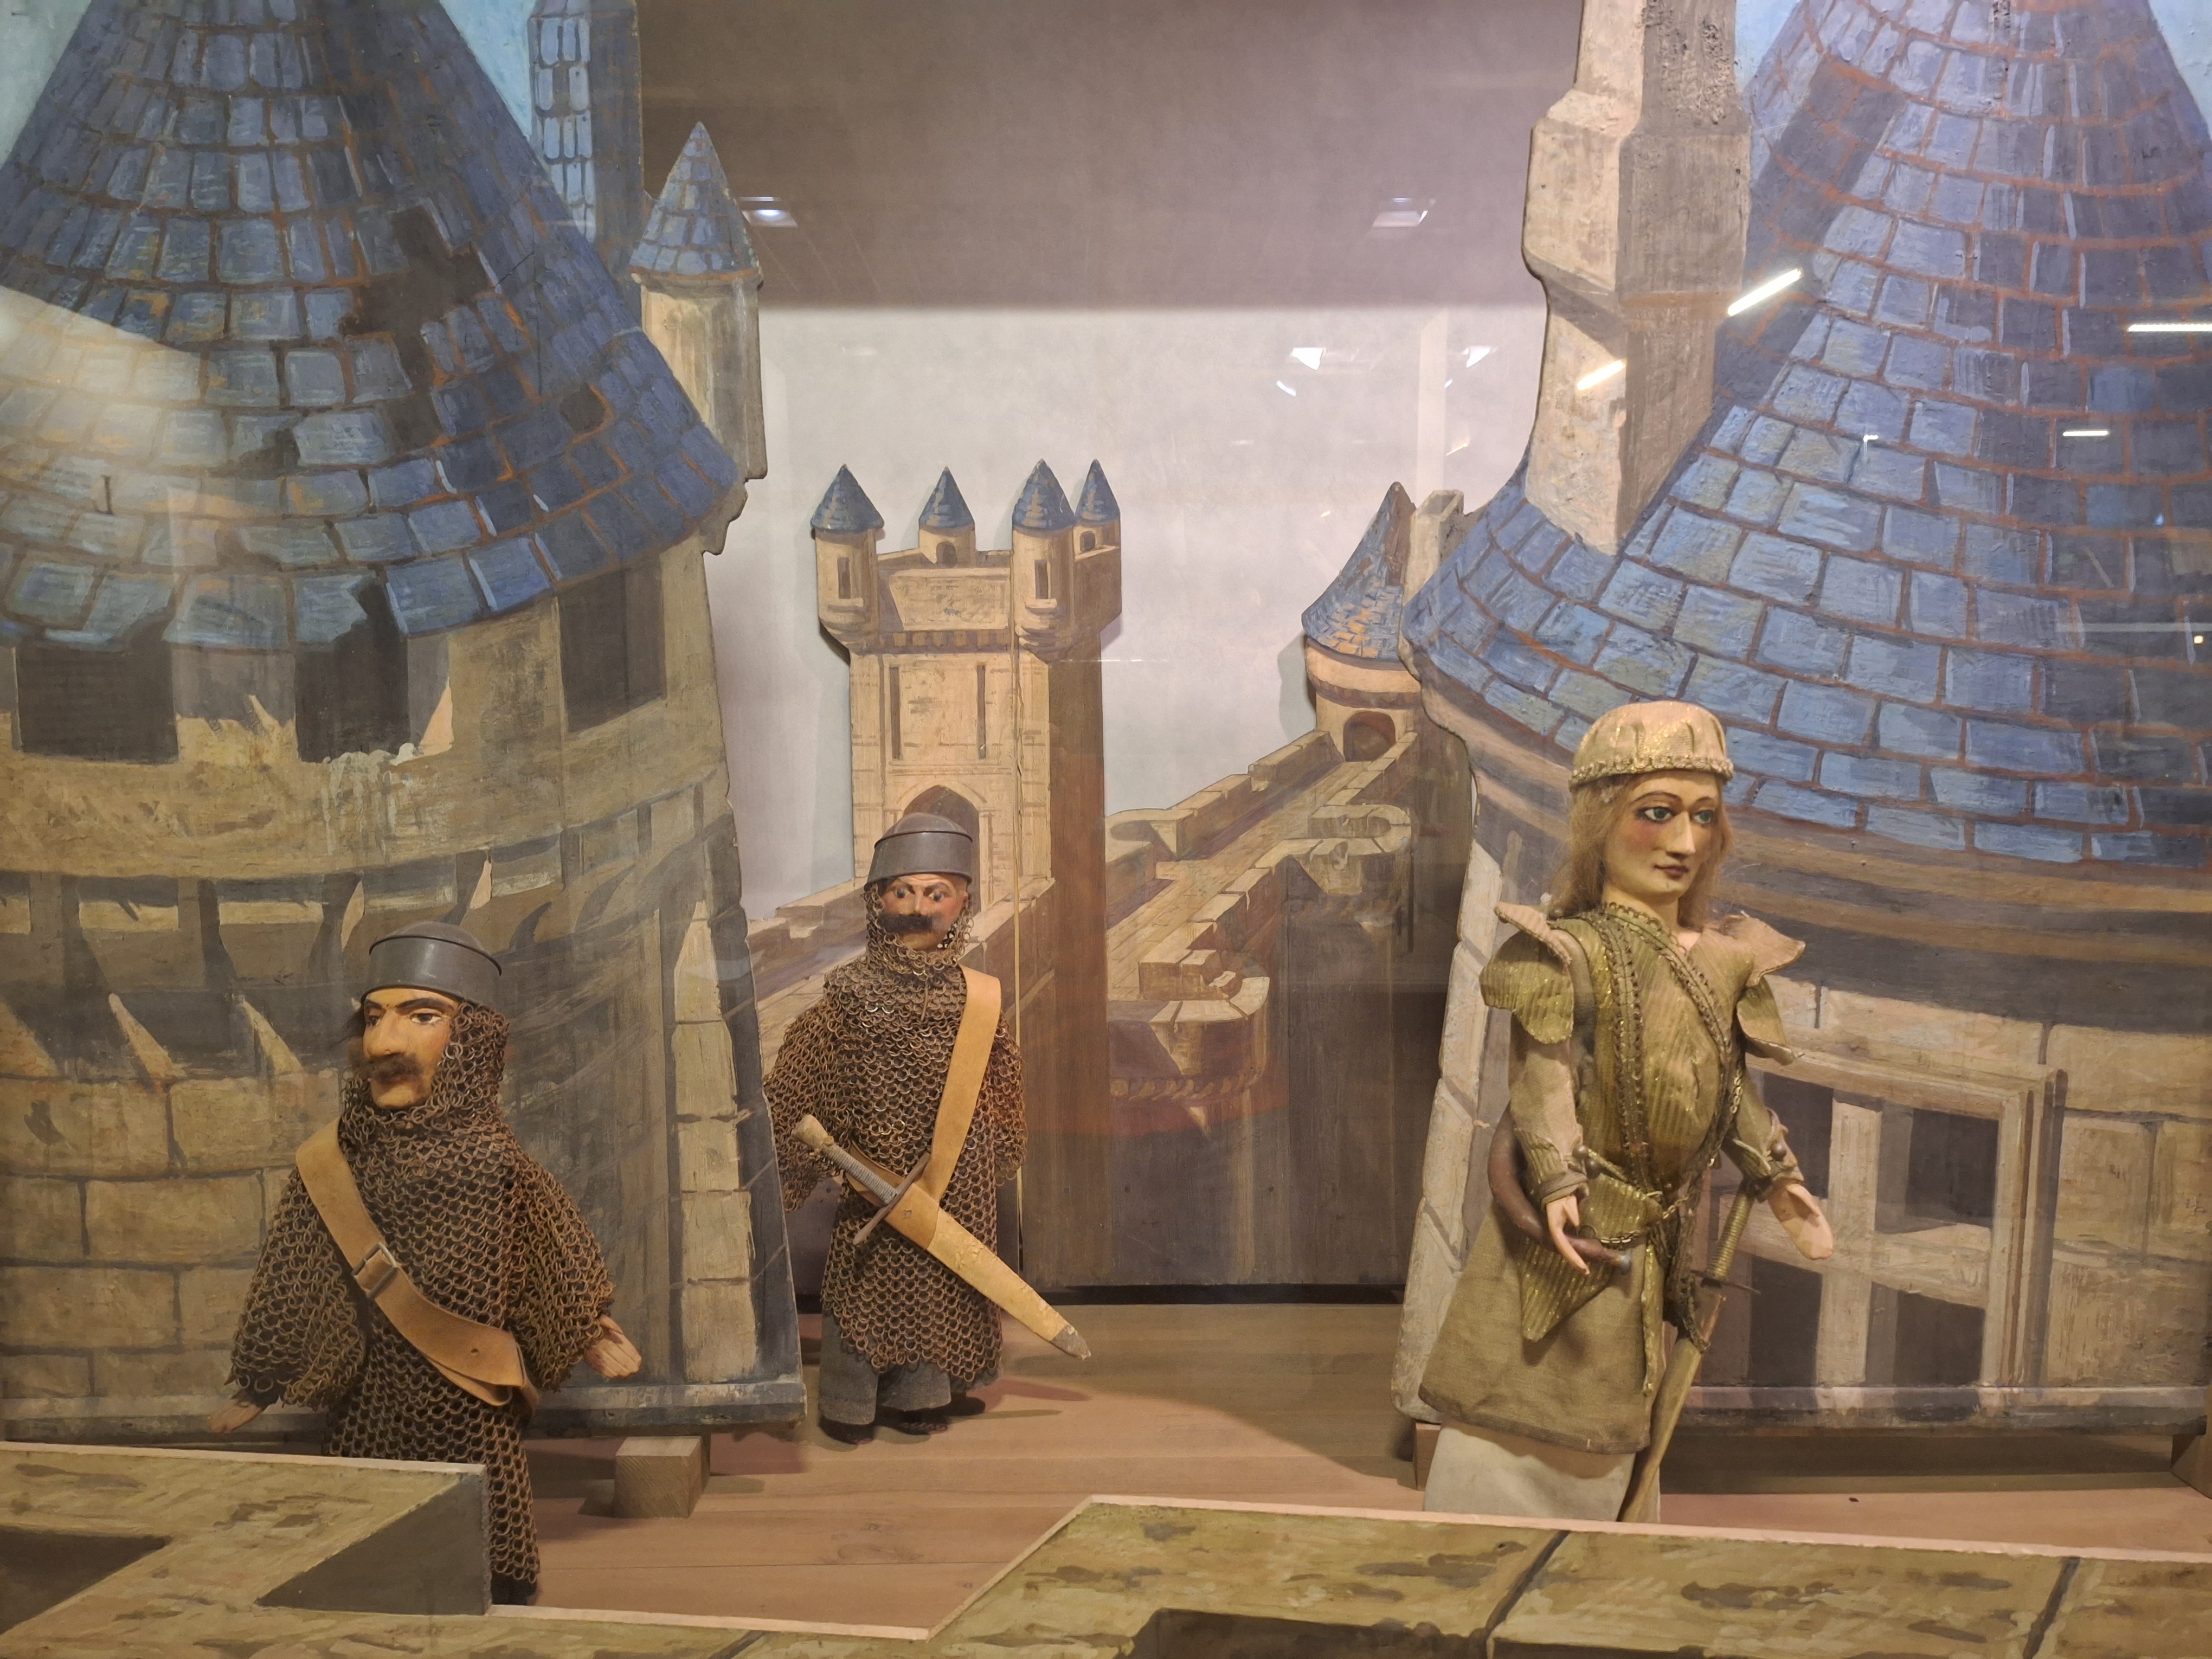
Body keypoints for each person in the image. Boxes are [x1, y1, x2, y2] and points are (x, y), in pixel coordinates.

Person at [1419, 700, 1834, 1521]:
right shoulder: (1567, 952)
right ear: (1601, 821)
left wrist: (1777, 1174)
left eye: (1703, 817)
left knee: (1620, 1408)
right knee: (1534, 1389)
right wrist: (1557, 1179)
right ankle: (1502, 1545)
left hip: (1658, 1234)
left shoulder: (1725, 962)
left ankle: (1601, 1551)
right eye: (1657, 813)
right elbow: (1540, 1076)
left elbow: (1730, 1086)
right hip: (1578, 1223)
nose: (1684, 843)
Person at [210, 921, 641, 1605]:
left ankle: (497, 1583)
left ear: (473, 1040)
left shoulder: (497, 1163)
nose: (385, 1044)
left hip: (468, 1395)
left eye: (421, 1017)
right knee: (366, 1538)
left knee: (484, 1532)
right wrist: (261, 1380)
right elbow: (295, 1268)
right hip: (367, 1396)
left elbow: (551, 1253)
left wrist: (585, 1324)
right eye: (374, 1018)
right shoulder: (332, 1163)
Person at [767, 812, 1025, 1444]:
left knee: (943, 1286)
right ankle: (850, 1406)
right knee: (869, 1289)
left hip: (954, 1177)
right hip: (873, 1175)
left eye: (937, 893)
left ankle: (923, 1398)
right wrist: (809, 1161)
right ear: (877, 900)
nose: (918, 909)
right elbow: (799, 1086)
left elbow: (1001, 1087)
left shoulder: (978, 997)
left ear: (962, 902)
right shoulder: (850, 996)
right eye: (902, 892)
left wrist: (998, 1150)